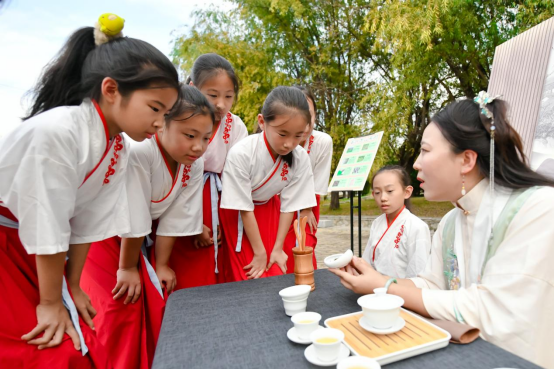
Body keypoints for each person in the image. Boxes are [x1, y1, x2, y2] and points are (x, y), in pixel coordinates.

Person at [0, 17, 179, 368]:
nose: (160, 123)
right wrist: (51, 302)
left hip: (32, 248)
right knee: (47, 350)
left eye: (166, 113)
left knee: (77, 338)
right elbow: (48, 224)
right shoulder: (58, 132)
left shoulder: (115, 146)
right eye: (155, 109)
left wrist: (73, 284)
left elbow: (85, 223)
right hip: (12, 245)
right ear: (112, 90)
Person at [330, 94, 554, 368]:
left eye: (425, 150)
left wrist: (383, 285)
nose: (416, 164)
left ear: (466, 160)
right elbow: (432, 284)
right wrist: (374, 277)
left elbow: (489, 311)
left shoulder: (537, 208)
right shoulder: (451, 221)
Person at [80, 85, 213, 369]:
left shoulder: (193, 162)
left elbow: (176, 217)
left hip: (136, 239)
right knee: (116, 309)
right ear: (162, 124)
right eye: (190, 136)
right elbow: (134, 212)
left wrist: (162, 264)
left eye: (205, 138)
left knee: (150, 304)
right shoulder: (141, 151)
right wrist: (127, 268)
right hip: (103, 238)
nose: (198, 146)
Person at [219, 86, 317, 281]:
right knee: (251, 275)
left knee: (275, 269)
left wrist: (278, 247)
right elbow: (244, 208)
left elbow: (290, 205)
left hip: (270, 211)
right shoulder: (242, 153)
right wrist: (259, 251)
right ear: (262, 122)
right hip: (239, 212)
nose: (289, 144)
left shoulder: (300, 158)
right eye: (282, 134)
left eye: (298, 135)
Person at [170, 53, 248, 289]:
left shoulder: (235, 126)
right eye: (212, 95)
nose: (221, 104)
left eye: (228, 96)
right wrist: (192, 222)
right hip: (181, 200)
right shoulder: (176, 120)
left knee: (220, 270)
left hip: (222, 203)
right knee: (187, 275)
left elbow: (239, 177)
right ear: (193, 87)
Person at [283, 86, 333, 272]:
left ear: (316, 116)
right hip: (281, 200)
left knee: (306, 243)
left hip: (310, 201)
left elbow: (318, 182)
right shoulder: (281, 139)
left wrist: (306, 208)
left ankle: (305, 281)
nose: (304, 123)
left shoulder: (322, 141)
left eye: (309, 115)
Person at [361, 165, 430, 278]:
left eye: (389, 191)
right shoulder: (377, 223)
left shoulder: (417, 227)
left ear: (407, 192)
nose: (383, 197)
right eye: (377, 192)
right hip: (373, 288)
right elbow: (367, 261)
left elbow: (418, 272)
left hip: (401, 292)